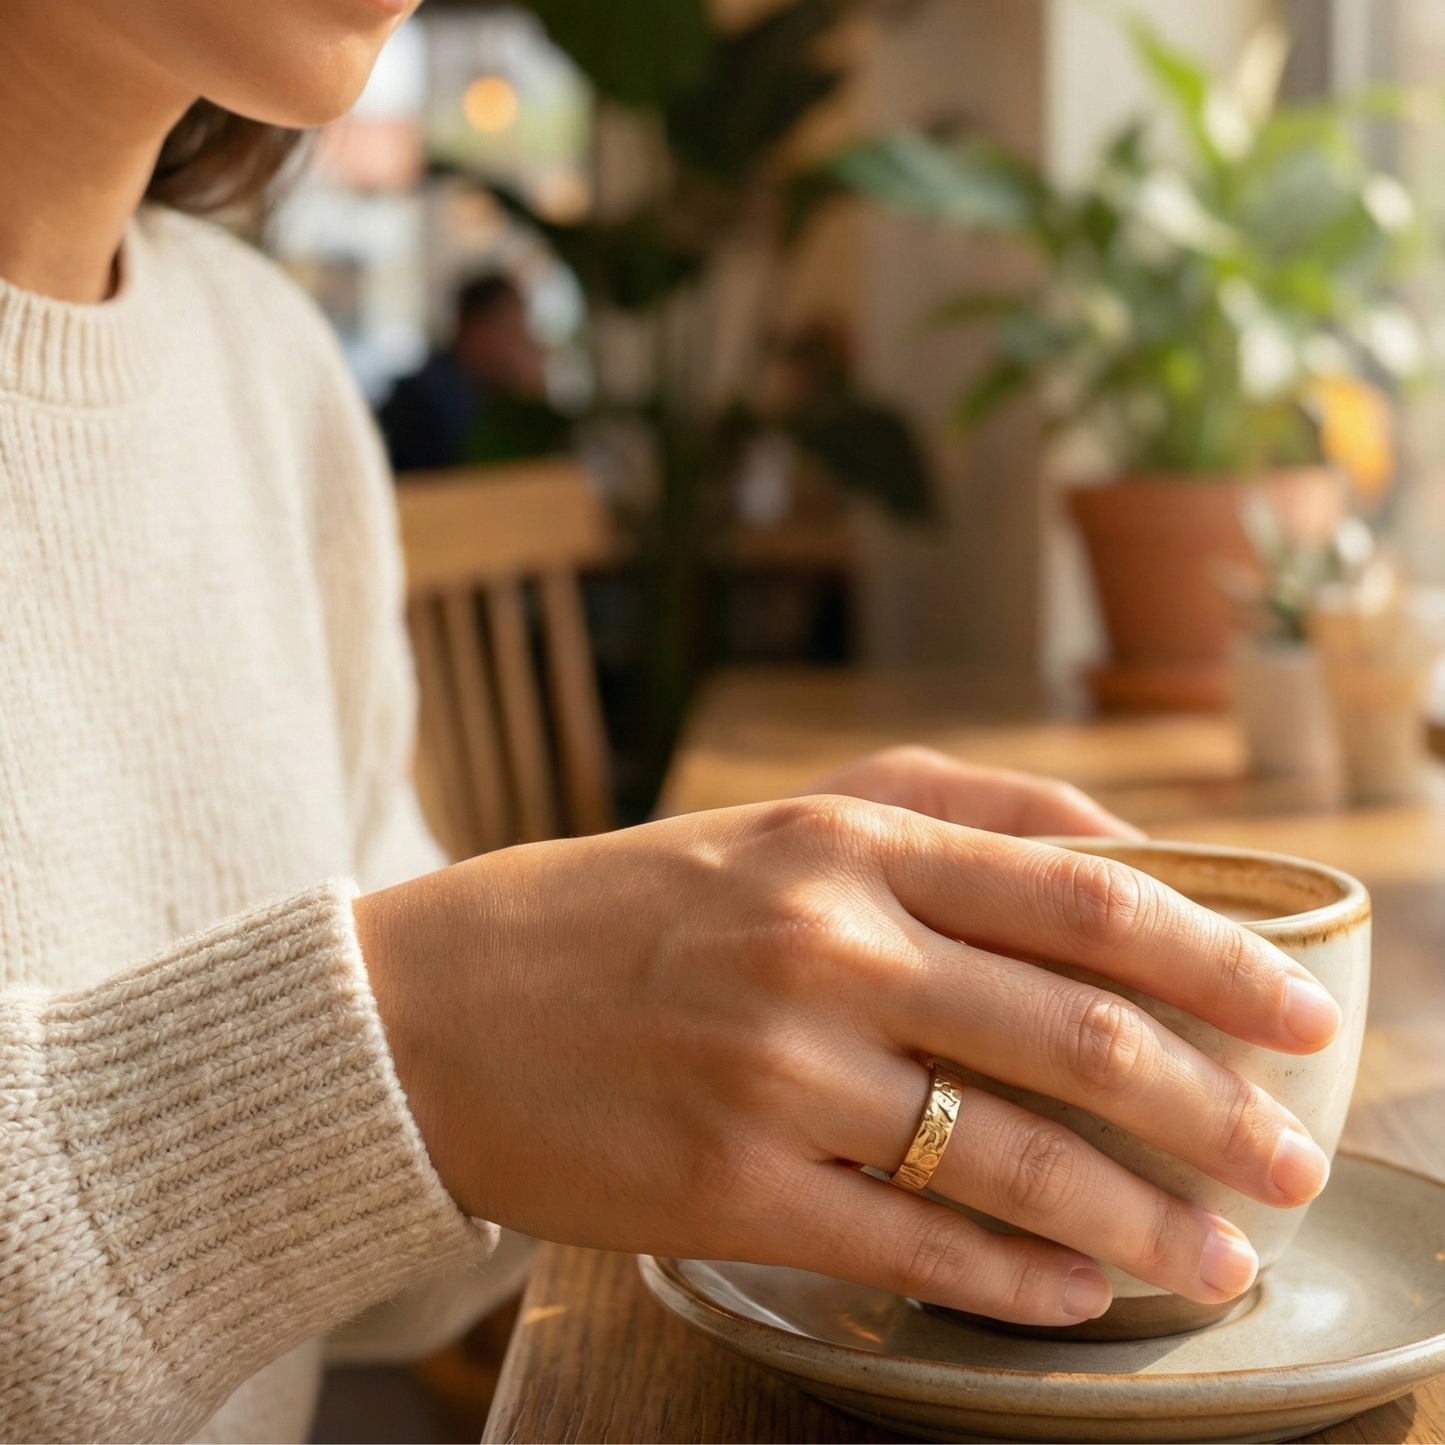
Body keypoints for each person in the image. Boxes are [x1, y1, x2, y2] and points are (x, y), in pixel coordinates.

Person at [0, 2, 1340, 1441]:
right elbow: (384, 1072)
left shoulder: (266, 370)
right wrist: (413, 1044)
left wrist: (678, 1006)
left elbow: (358, 1259)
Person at [377, 272, 570, 472]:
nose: (527, 343)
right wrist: (529, 400)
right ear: (475, 327)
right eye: (515, 328)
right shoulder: (428, 402)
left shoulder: (466, 391)